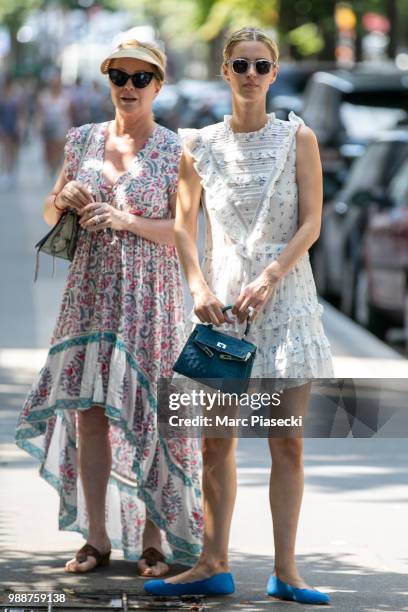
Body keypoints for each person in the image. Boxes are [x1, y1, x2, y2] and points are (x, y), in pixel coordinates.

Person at [144, 27, 334, 604]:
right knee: (214, 443)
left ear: (274, 74)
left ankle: (287, 572)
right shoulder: (197, 145)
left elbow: (312, 222)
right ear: (226, 72)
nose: (251, 74)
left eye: (261, 65)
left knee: (288, 443)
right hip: (222, 305)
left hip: (286, 303)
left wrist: (273, 275)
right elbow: (183, 224)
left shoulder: (298, 138)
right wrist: (197, 283)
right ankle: (212, 563)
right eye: (241, 65)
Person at [15, 39, 202, 577]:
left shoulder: (178, 149)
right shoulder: (81, 139)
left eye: (140, 78)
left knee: (153, 418)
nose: (127, 86)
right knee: (89, 415)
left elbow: (184, 234)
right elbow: (51, 205)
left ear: (159, 87)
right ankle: (95, 538)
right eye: (119, 76)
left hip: (152, 298)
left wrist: (126, 221)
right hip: (91, 293)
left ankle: (152, 540)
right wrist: (67, 194)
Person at [37, 73, 73, 177]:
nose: (55, 85)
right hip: (47, 127)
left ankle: (57, 167)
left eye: (57, 83)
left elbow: (70, 113)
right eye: (53, 83)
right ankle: (50, 165)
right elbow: (39, 113)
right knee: (48, 149)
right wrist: (39, 125)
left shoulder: (66, 97)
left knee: (59, 148)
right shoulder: (43, 96)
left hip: (62, 127)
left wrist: (70, 128)